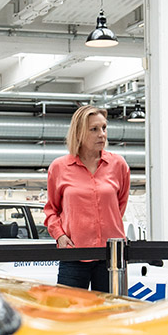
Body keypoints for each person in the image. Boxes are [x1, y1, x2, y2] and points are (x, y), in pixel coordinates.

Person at [43, 105, 130, 292]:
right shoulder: (59, 167)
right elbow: (51, 209)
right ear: (79, 132)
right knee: (70, 316)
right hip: (74, 255)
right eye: (94, 129)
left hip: (111, 257)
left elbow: (119, 205)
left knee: (110, 315)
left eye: (104, 128)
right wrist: (60, 236)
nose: (102, 134)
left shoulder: (118, 165)